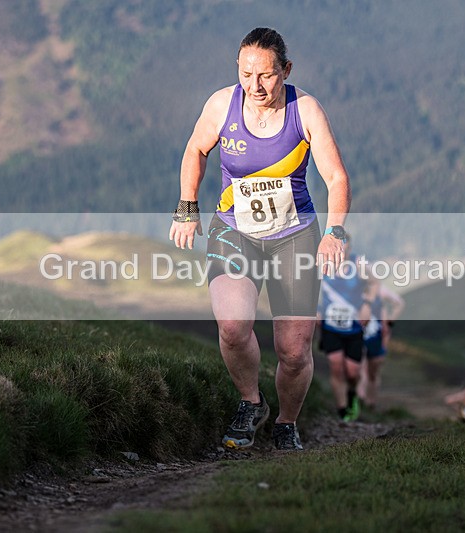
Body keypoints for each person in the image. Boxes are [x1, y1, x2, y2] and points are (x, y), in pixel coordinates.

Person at [169, 27, 351, 451]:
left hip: (295, 236)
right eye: (246, 73)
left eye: (266, 75)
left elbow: (336, 176)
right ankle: (251, 403)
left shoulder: (305, 110)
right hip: (235, 233)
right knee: (232, 328)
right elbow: (196, 149)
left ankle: (287, 423)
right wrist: (187, 207)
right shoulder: (222, 104)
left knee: (292, 350)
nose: (254, 85)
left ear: (285, 70)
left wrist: (335, 233)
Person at [317, 235, 371, 422]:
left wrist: (367, 305)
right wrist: (316, 310)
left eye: (347, 249)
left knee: (352, 372)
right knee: (335, 365)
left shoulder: (359, 264)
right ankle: (342, 410)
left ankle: (352, 392)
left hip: (354, 327)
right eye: (341, 249)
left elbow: (374, 283)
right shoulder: (324, 264)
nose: (344, 253)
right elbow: (312, 287)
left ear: (350, 248)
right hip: (330, 326)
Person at [357, 279, 404, 410]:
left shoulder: (379, 290)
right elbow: (399, 303)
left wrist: (389, 322)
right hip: (365, 333)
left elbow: (399, 303)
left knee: (371, 371)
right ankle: (363, 400)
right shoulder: (360, 287)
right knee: (363, 368)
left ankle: (369, 402)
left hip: (376, 333)